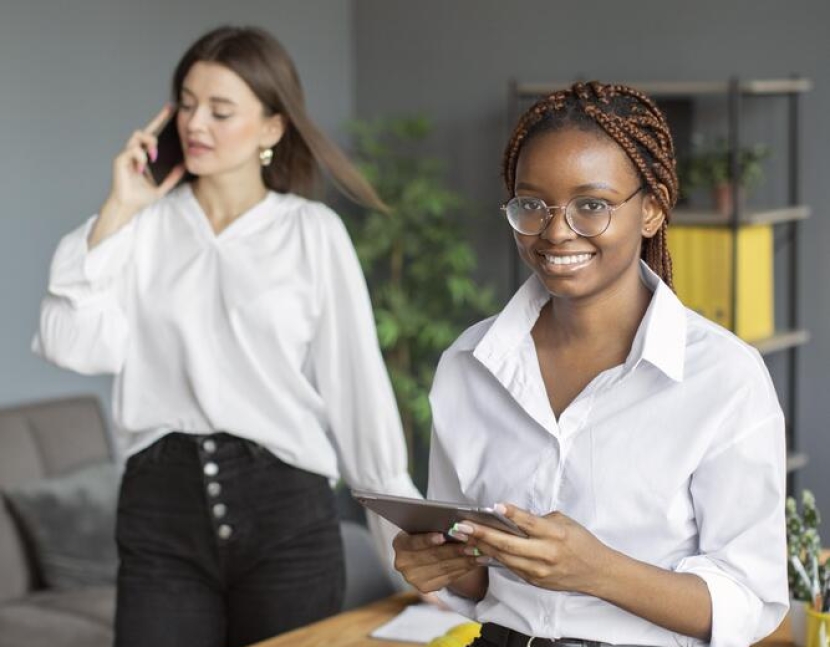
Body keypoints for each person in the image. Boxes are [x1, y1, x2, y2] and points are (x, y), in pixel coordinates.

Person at [33, 25, 419, 647]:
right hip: (160, 515)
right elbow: (72, 345)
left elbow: (358, 394)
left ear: (271, 127)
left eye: (220, 110)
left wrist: (407, 545)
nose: (195, 124)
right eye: (186, 104)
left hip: (288, 519)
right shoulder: (140, 228)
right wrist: (119, 208)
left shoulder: (311, 232)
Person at [393, 81, 788, 647]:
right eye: (532, 205)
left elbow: (750, 603)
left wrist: (597, 571)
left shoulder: (723, 377)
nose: (556, 231)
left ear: (651, 209)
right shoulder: (468, 365)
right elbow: (479, 578)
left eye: (592, 205)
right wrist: (441, 563)